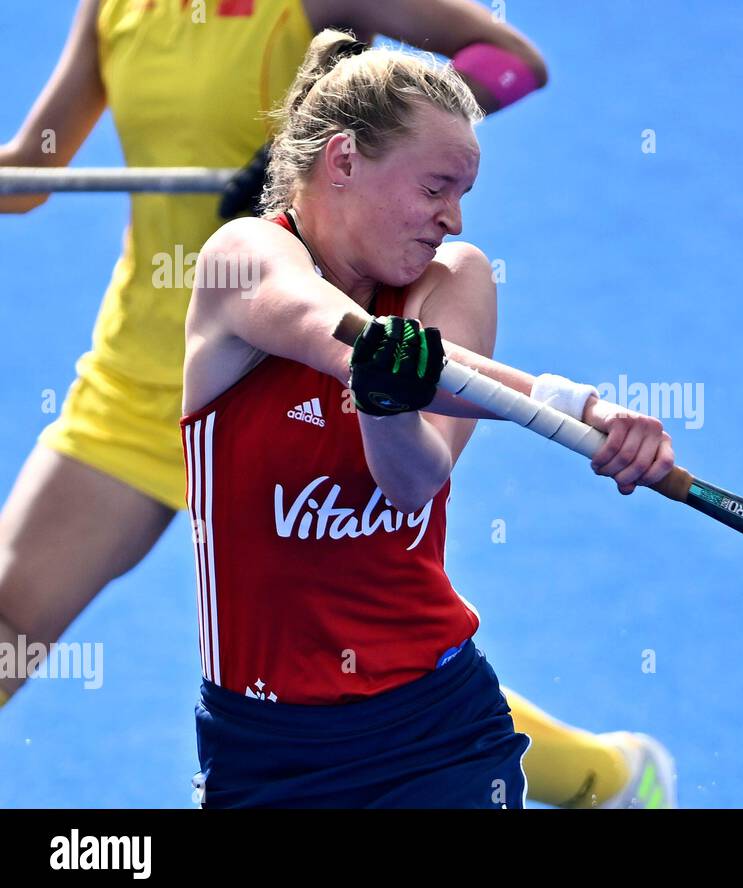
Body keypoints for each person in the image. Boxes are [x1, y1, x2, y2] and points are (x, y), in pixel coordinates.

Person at [0, 0, 675, 808]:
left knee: (346, 609)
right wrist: (572, 407)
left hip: (343, 351)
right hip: (149, 371)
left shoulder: (431, 269)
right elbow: (30, 170)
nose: (453, 212)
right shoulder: (115, 8)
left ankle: (597, 776)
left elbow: (510, 62)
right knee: (11, 620)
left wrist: (378, 150)